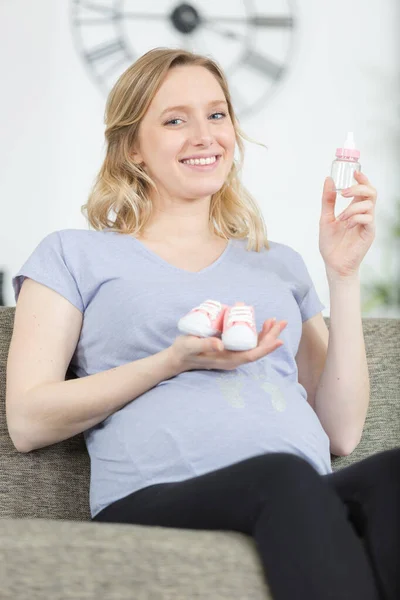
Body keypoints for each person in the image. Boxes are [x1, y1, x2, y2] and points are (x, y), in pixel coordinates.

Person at [6, 47, 399, 600]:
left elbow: (341, 432)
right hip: (157, 496)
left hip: (296, 488)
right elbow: (27, 420)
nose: (204, 135)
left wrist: (344, 274)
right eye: (174, 120)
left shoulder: (278, 262)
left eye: (217, 115)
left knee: (392, 475)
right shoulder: (74, 255)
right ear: (132, 149)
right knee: (283, 476)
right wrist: (172, 361)